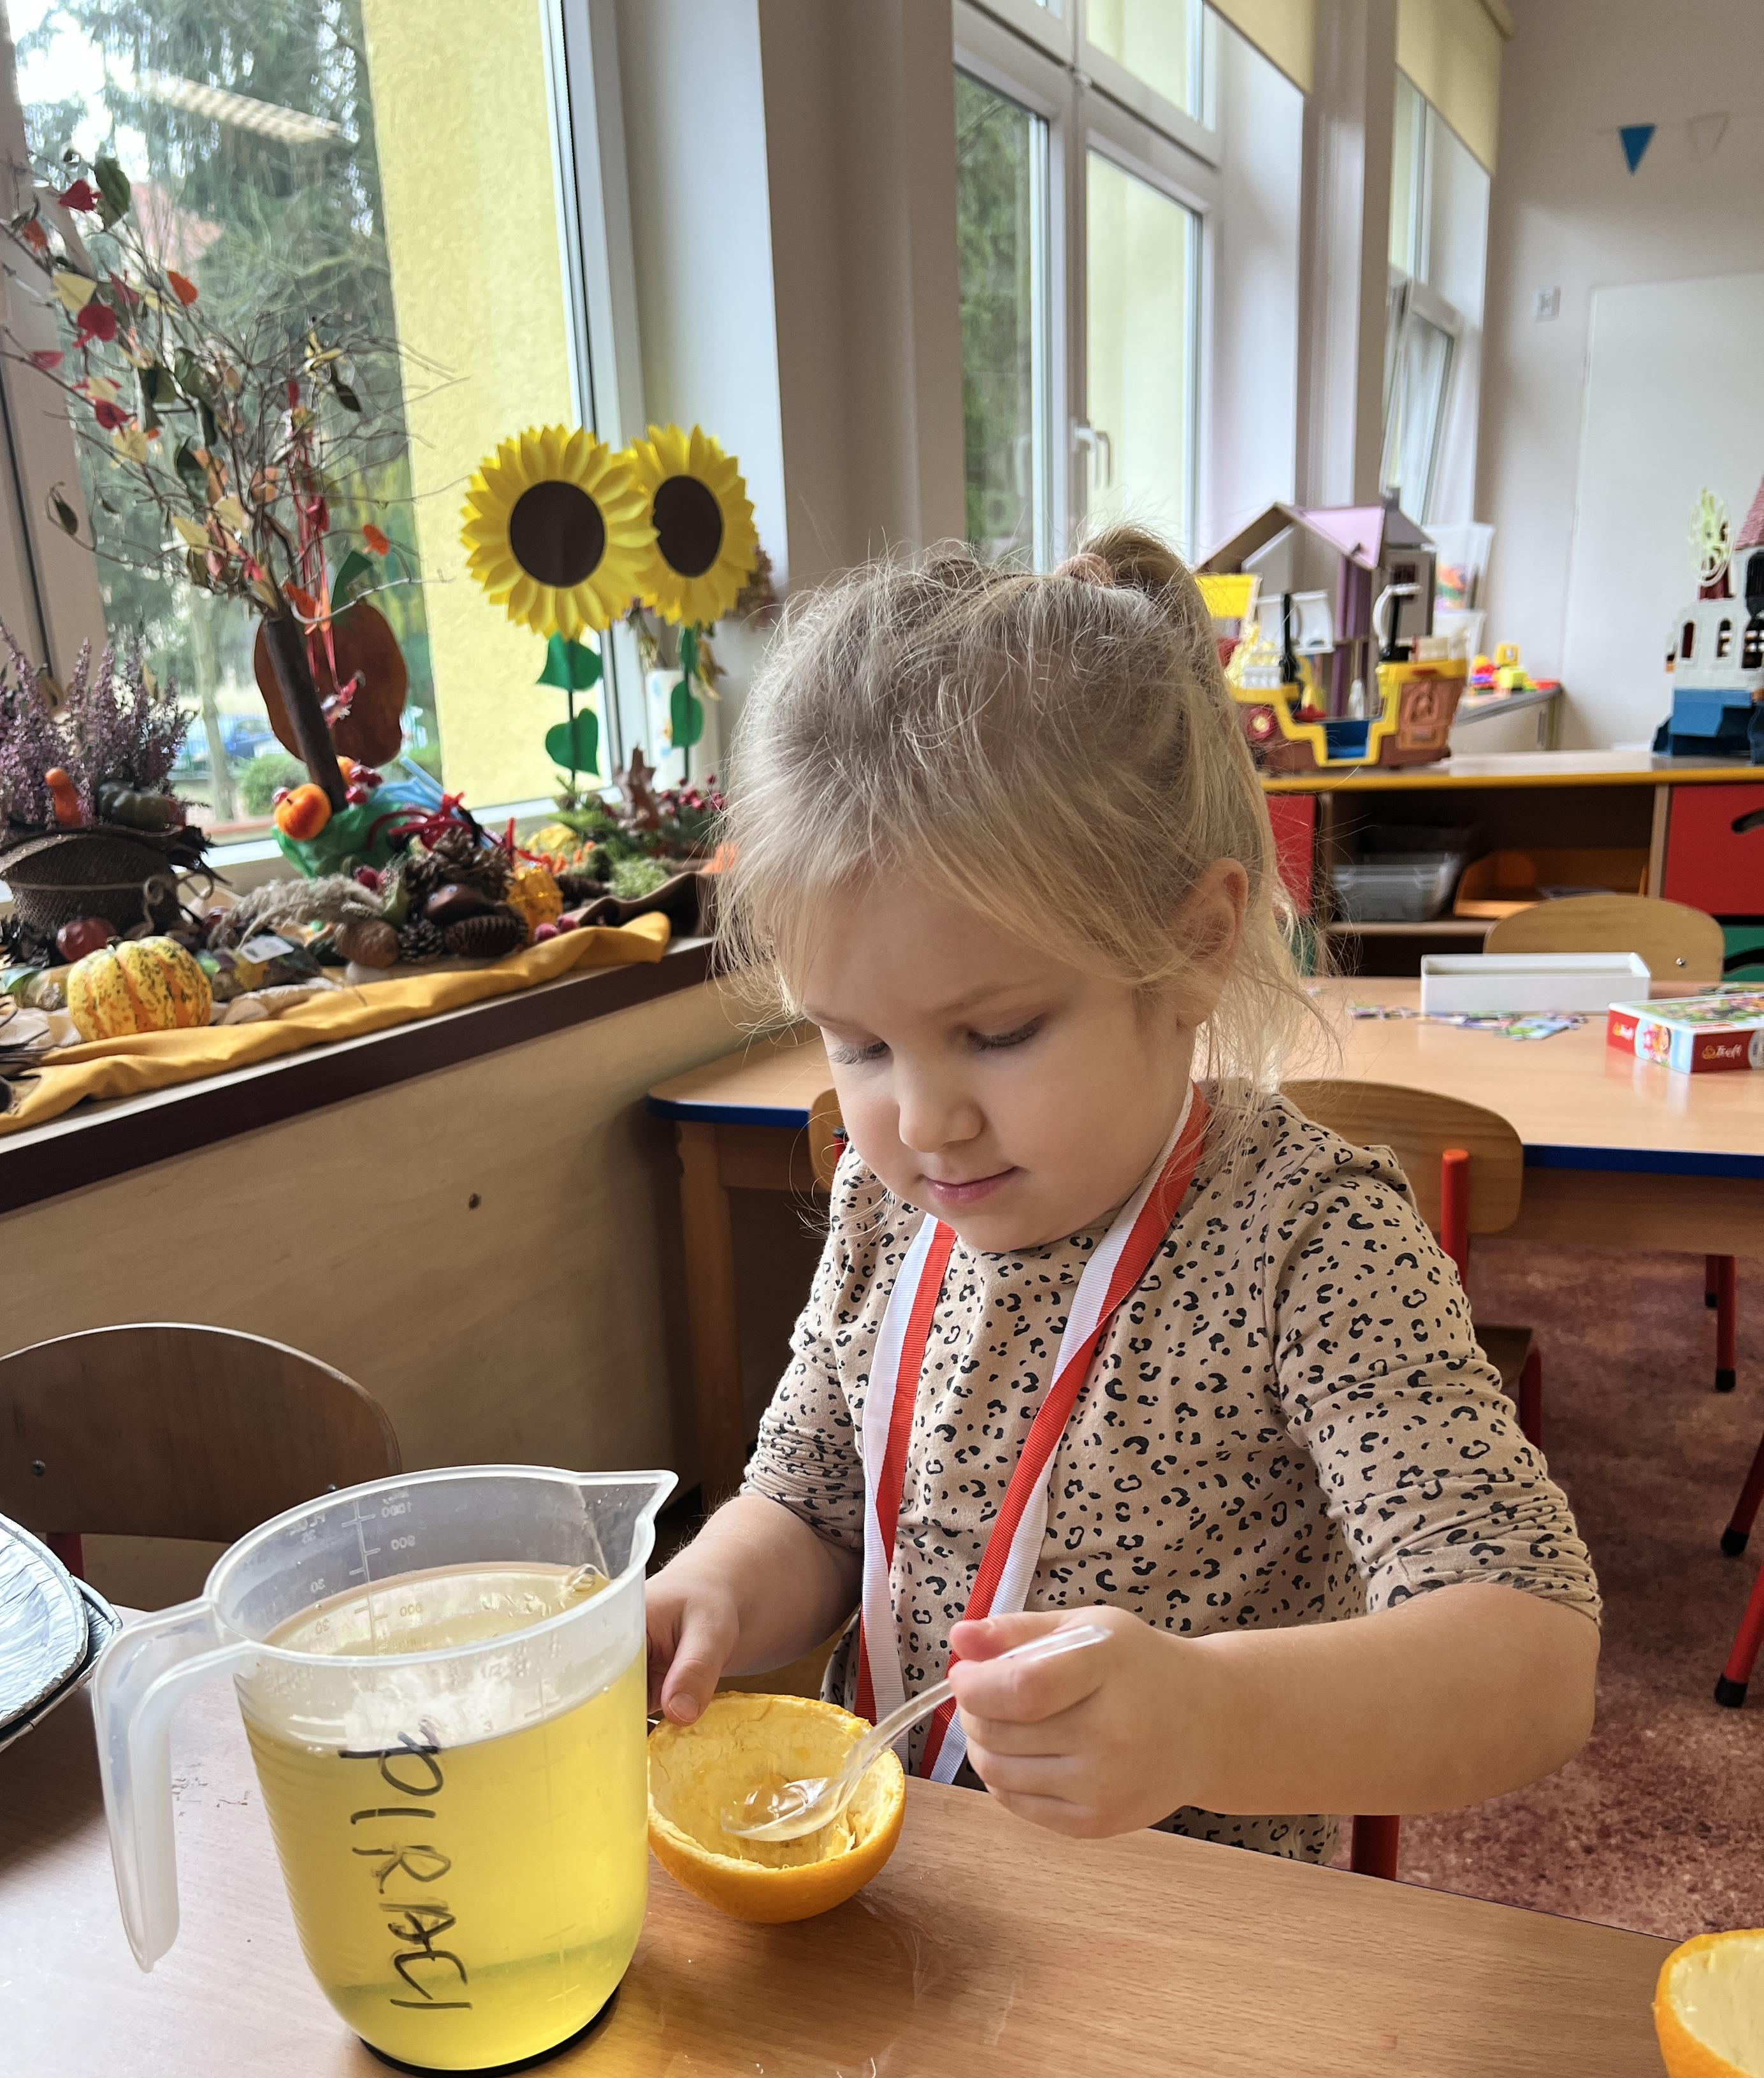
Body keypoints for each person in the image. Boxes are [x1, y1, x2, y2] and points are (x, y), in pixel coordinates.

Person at [645, 529, 1597, 1856]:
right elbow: (807, 1506)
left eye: (999, 1032)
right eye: (856, 1045)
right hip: (908, 1876)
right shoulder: (884, 1200)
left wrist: (1208, 1720)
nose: (922, 1121)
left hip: (1179, 1928)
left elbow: (1534, 1658)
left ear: (1193, 948)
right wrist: (710, 1594)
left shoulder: (1310, 1241)